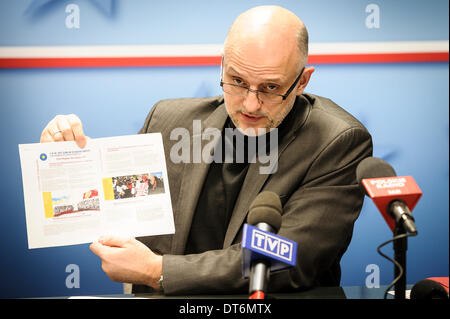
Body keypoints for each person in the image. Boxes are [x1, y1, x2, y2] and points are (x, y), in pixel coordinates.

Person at [40, 6, 372, 295]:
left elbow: (287, 260)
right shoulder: (168, 121)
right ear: (222, 66)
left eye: (271, 88)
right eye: (237, 81)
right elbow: (112, 207)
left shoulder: (337, 142)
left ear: (302, 82)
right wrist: (62, 162)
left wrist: (157, 271)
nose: (251, 104)